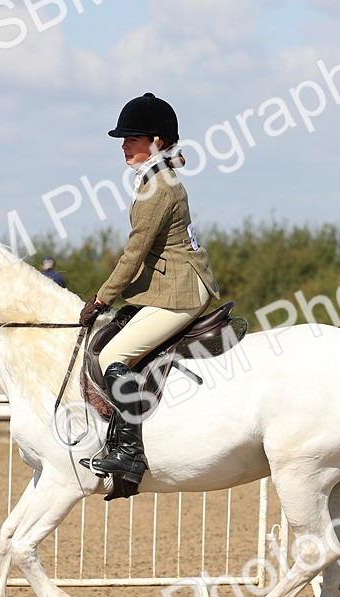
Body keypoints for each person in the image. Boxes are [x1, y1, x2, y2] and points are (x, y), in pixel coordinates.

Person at [79, 92, 221, 487]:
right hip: (167, 286)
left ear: (156, 141)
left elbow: (134, 252)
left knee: (113, 354)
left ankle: (129, 452)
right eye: (124, 139)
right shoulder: (155, 179)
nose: (124, 146)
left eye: (132, 138)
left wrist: (101, 298)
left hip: (180, 291)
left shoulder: (159, 187)